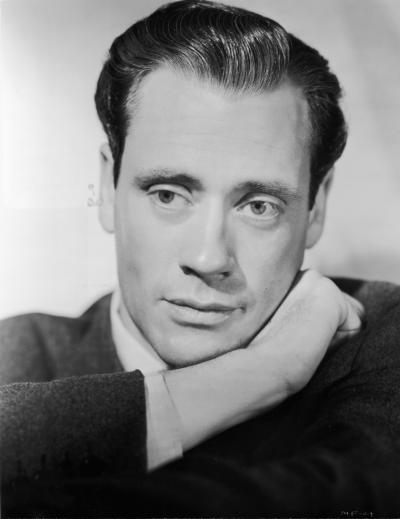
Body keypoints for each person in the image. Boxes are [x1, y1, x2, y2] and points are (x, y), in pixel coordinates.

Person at [1, 0, 400, 516]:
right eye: (168, 195)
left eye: (259, 206)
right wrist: (260, 374)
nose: (209, 258)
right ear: (107, 186)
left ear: (316, 207)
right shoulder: (17, 355)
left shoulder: (380, 334)